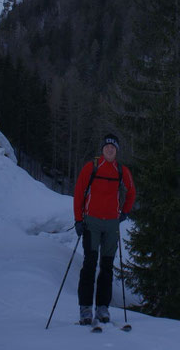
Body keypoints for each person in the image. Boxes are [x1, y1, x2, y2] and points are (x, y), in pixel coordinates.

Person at [73, 133, 136, 325]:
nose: (110, 149)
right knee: (90, 265)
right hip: (91, 222)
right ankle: (85, 309)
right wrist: (78, 219)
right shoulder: (91, 167)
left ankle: (102, 308)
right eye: (107, 146)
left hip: (111, 225)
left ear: (116, 151)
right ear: (103, 149)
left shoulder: (121, 170)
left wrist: (124, 212)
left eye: (113, 147)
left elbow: (132, 191)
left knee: (107, 267)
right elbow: (78, 192)